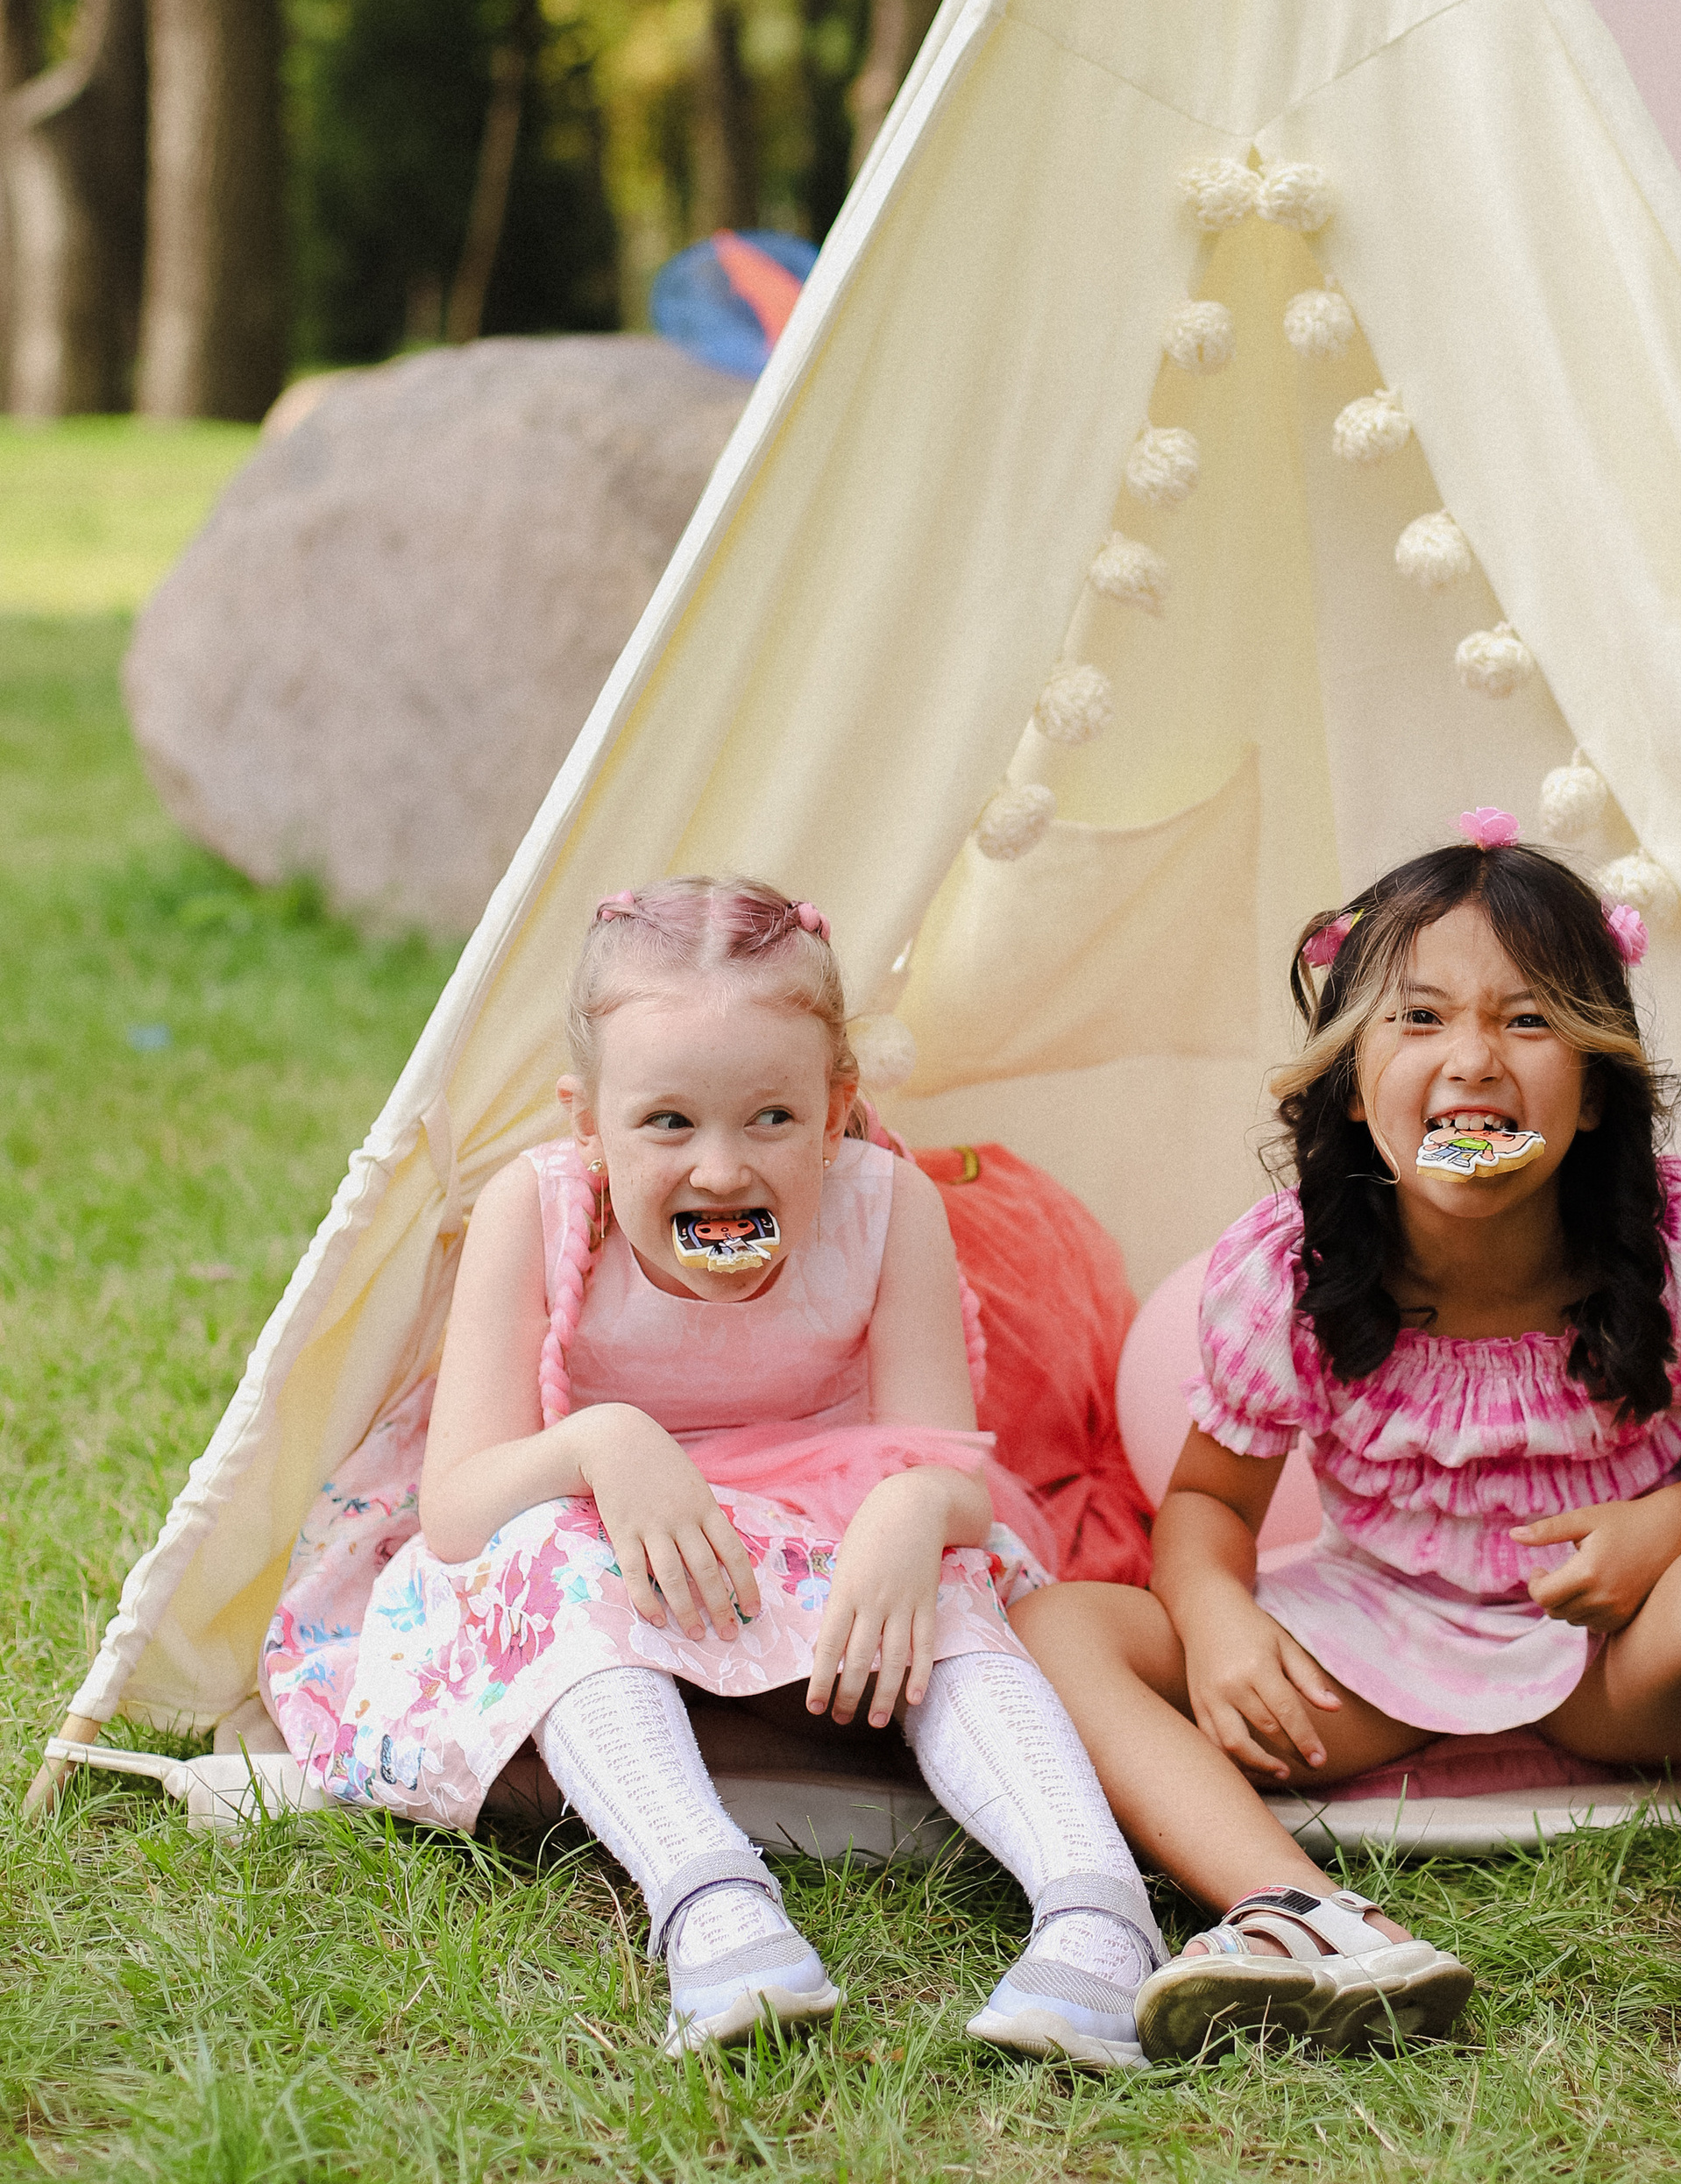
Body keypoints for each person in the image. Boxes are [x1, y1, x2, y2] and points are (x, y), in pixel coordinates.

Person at [1014, 816, 1681, 2088]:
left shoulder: (1678, 1237)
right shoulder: (1293, 1266)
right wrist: (1212, 1619)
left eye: (1526, 1022)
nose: (1471, 1062)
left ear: (1594, 1088)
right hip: (1364, 1658)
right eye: (1418, 1020)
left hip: (1605, 1658)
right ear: (1351, 1076)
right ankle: (1304, 1920)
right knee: (1057, 1627)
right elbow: (1208, 1500)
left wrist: (1661, 1530)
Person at [263, 877, 1160, 2066]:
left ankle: (1099, 1912)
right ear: (587, 1120)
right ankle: (711, 1901)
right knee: (543, 1553)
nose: (722, 1171)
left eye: (772, 1120)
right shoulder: (536, 1213)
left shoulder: (888, 1207)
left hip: (828, 1537)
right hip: (625, 1543)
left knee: (948, 1574)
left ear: (839, 1104)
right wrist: (603, 1440)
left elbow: (950, 1469)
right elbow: (460, 1510)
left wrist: (909, 1508)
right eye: (668, 1124)